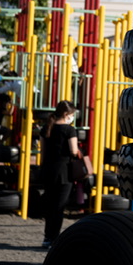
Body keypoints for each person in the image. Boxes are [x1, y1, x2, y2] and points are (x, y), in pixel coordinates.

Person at [39, 100, 83, 249]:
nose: (72, 117)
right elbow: (73, 151)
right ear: (66, 114)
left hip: (48, 170)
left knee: (50, 205)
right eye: (72, 114)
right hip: (64, 172)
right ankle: (54, 238)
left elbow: (43, 152)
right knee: (59, 206)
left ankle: (47, 237)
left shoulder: (46, 128)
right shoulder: (69, 130)